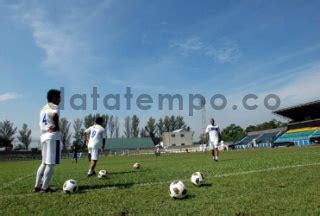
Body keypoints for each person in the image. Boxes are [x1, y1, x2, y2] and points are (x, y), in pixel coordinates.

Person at [34, 89, 61, 193]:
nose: (60, 100)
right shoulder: (54, 106)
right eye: (59, 97)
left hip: (44, 136)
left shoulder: (42, 108)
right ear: (53, 97)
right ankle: (45, 188)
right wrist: (56, 126)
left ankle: (37, 186)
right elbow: (55, 115)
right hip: (52, 136)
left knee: (44, 163)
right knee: (50, 164)